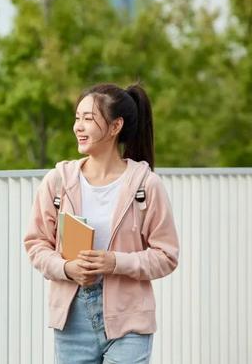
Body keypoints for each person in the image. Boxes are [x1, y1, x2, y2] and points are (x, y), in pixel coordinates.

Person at [24, 83, 179, 363]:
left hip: (129, 320)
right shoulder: (58, 181)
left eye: (88, 119)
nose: (78, 127)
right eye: (77, 118)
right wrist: (67, 268)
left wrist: (115, 262)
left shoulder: (146, 185)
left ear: (115, 125)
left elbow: (166, 255)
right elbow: (36, 245)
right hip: (71, 321)